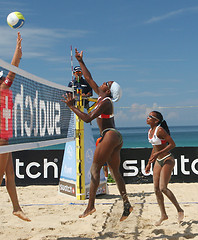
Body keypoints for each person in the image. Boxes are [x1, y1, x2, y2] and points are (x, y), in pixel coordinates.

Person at [62, 48, 133, 221]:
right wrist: (80, 61)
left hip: (110, 135)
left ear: (108, 91)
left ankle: (90, 206)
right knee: (115, 173)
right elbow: (88, 78)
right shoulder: (102, 96)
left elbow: (87, 119)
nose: (102, 83)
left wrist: (72, 106)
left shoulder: (106, 102)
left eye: (106, 84)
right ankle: (126, 205)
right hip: (114, 136)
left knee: (95, 169)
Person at [0, 32, 31, 228]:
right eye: (1, 79)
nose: (5, 80)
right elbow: (13, 69)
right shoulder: (0, 92)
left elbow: (14, 68)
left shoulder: (2, 93)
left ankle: (16, 208)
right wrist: (16, 50)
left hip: (3, 138)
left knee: (10, 175)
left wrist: (19, 52)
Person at [145, 111, 184, 226]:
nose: (147, 118)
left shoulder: (160, 130)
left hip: (168, 159)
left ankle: (179, 209)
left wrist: (159, 153)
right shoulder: (149, 131)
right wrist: (149, 162)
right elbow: (154, 148)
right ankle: (163, 215)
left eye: (150, 117)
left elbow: (172, 144)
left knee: (163, 188)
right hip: (158, 160)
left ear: (156, 121)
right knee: (156, 189)